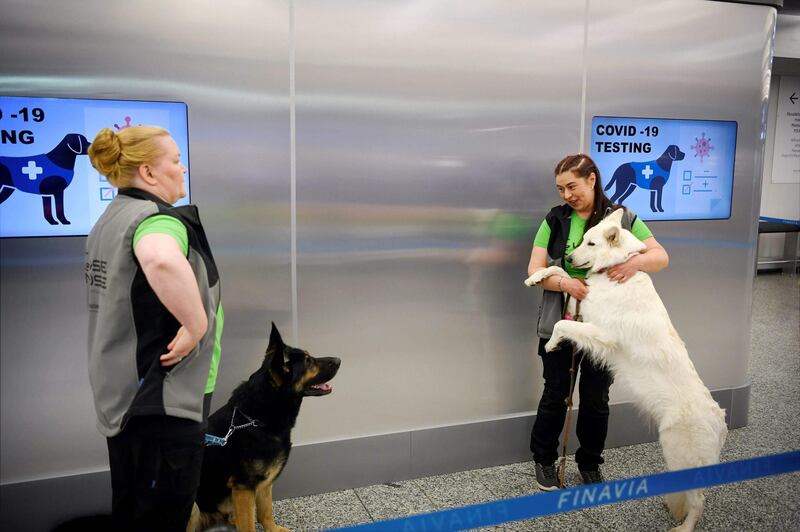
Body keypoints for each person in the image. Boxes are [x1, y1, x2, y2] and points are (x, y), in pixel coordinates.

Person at [85, 126, 224, 531]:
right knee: (164, 514)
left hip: (126, 394)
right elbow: (160, 259)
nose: (183, 169)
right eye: (176, 160)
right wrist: (196, 323)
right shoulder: (155, 221)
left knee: (133, 506)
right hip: (162, 398)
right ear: (147, 173)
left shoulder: (112, 219)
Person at [527, 153, 668, 490]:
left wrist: (634, 265)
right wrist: (566, 283)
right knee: (555, 393)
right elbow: (534, 270)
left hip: (606, 327)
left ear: (592, 179)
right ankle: (544, 460)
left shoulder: (621, 219)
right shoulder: (555, 220)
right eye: (560, 188)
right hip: (561, 320)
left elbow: (660, 256)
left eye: (571, 186)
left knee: (595, 397)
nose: (565, 195)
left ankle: (590, 463)